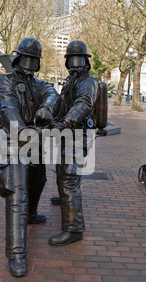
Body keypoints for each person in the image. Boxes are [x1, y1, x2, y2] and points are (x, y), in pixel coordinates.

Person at [0, 38, 58, 277]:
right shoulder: (3, 81)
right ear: (18, 58)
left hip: (35, 142)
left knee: (38, 180)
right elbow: (9, 110)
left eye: (34, 61)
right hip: (14, 141)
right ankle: (16, 253)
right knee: (17, 193)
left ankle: (31, 214)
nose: (29, 65)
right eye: (26, 59)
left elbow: (51, 91)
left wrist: (47, 107)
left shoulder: (38, 83)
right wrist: (25, 132)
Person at [48, 40, 98, 246]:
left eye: (79, 60)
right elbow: (61, 105)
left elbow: (84, 102)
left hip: (78, 136)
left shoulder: (87, 82)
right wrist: (49, 117)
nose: (75, 65)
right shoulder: (70, 82)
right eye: (72, 60)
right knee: (63, 172)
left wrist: (65, 123)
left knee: (69, 177)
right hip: (68, 134)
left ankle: (74, 228)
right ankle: (65, 199)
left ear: (86, 62)